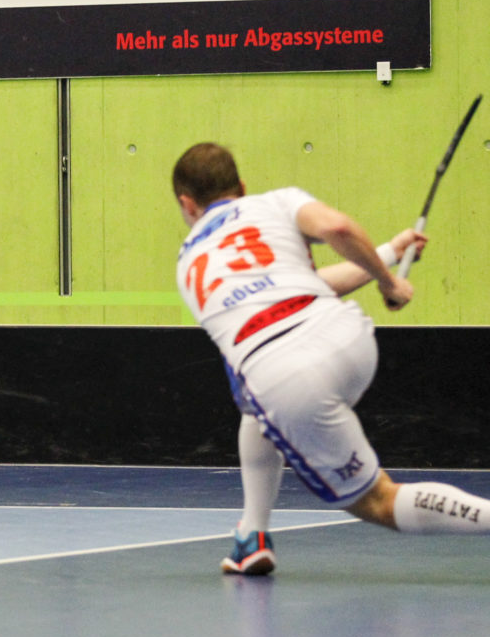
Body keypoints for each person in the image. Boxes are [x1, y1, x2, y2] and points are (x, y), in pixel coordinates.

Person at [173, 142, 490, 575]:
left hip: (285, 374)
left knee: (378, 500)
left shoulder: (188, 262)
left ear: (186, 204)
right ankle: (252, 536)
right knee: (254, 410)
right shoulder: (276, 202)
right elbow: (334, 235)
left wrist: (386, 278)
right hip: (349, 338)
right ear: (242, 186)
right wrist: (388, 268)